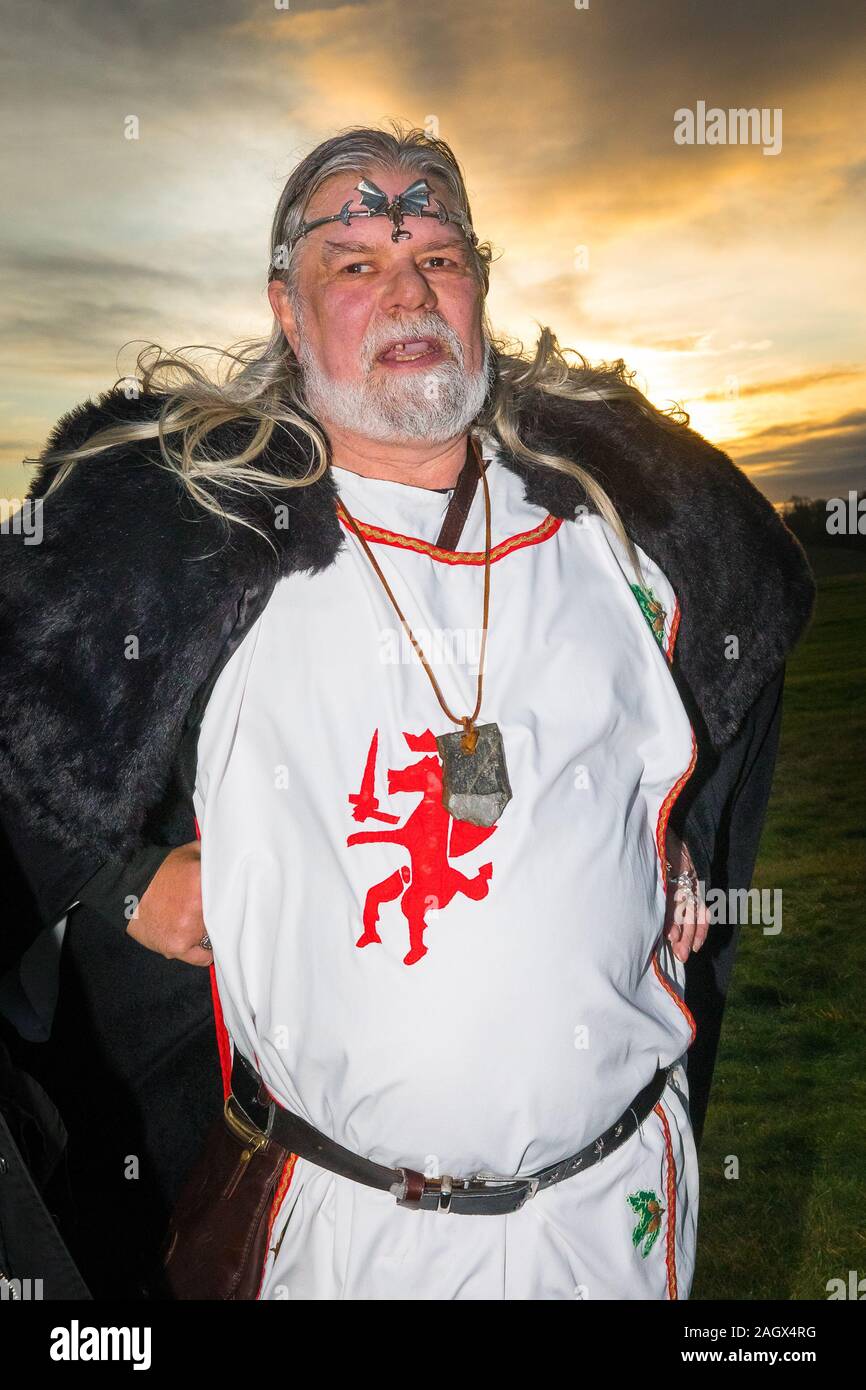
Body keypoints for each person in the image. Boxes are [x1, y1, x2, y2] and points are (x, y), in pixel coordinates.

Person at [0, 122, 815, 1299]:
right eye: (356, 262)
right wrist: (117, 882)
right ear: (287, 308)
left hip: (616, 1215)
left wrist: (661, 835)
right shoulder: (204, 554)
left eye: (438, 256)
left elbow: (690, 730)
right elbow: (36, 765)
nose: (407, 290)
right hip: (352, 1233)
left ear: (479, 289)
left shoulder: (621, 542)